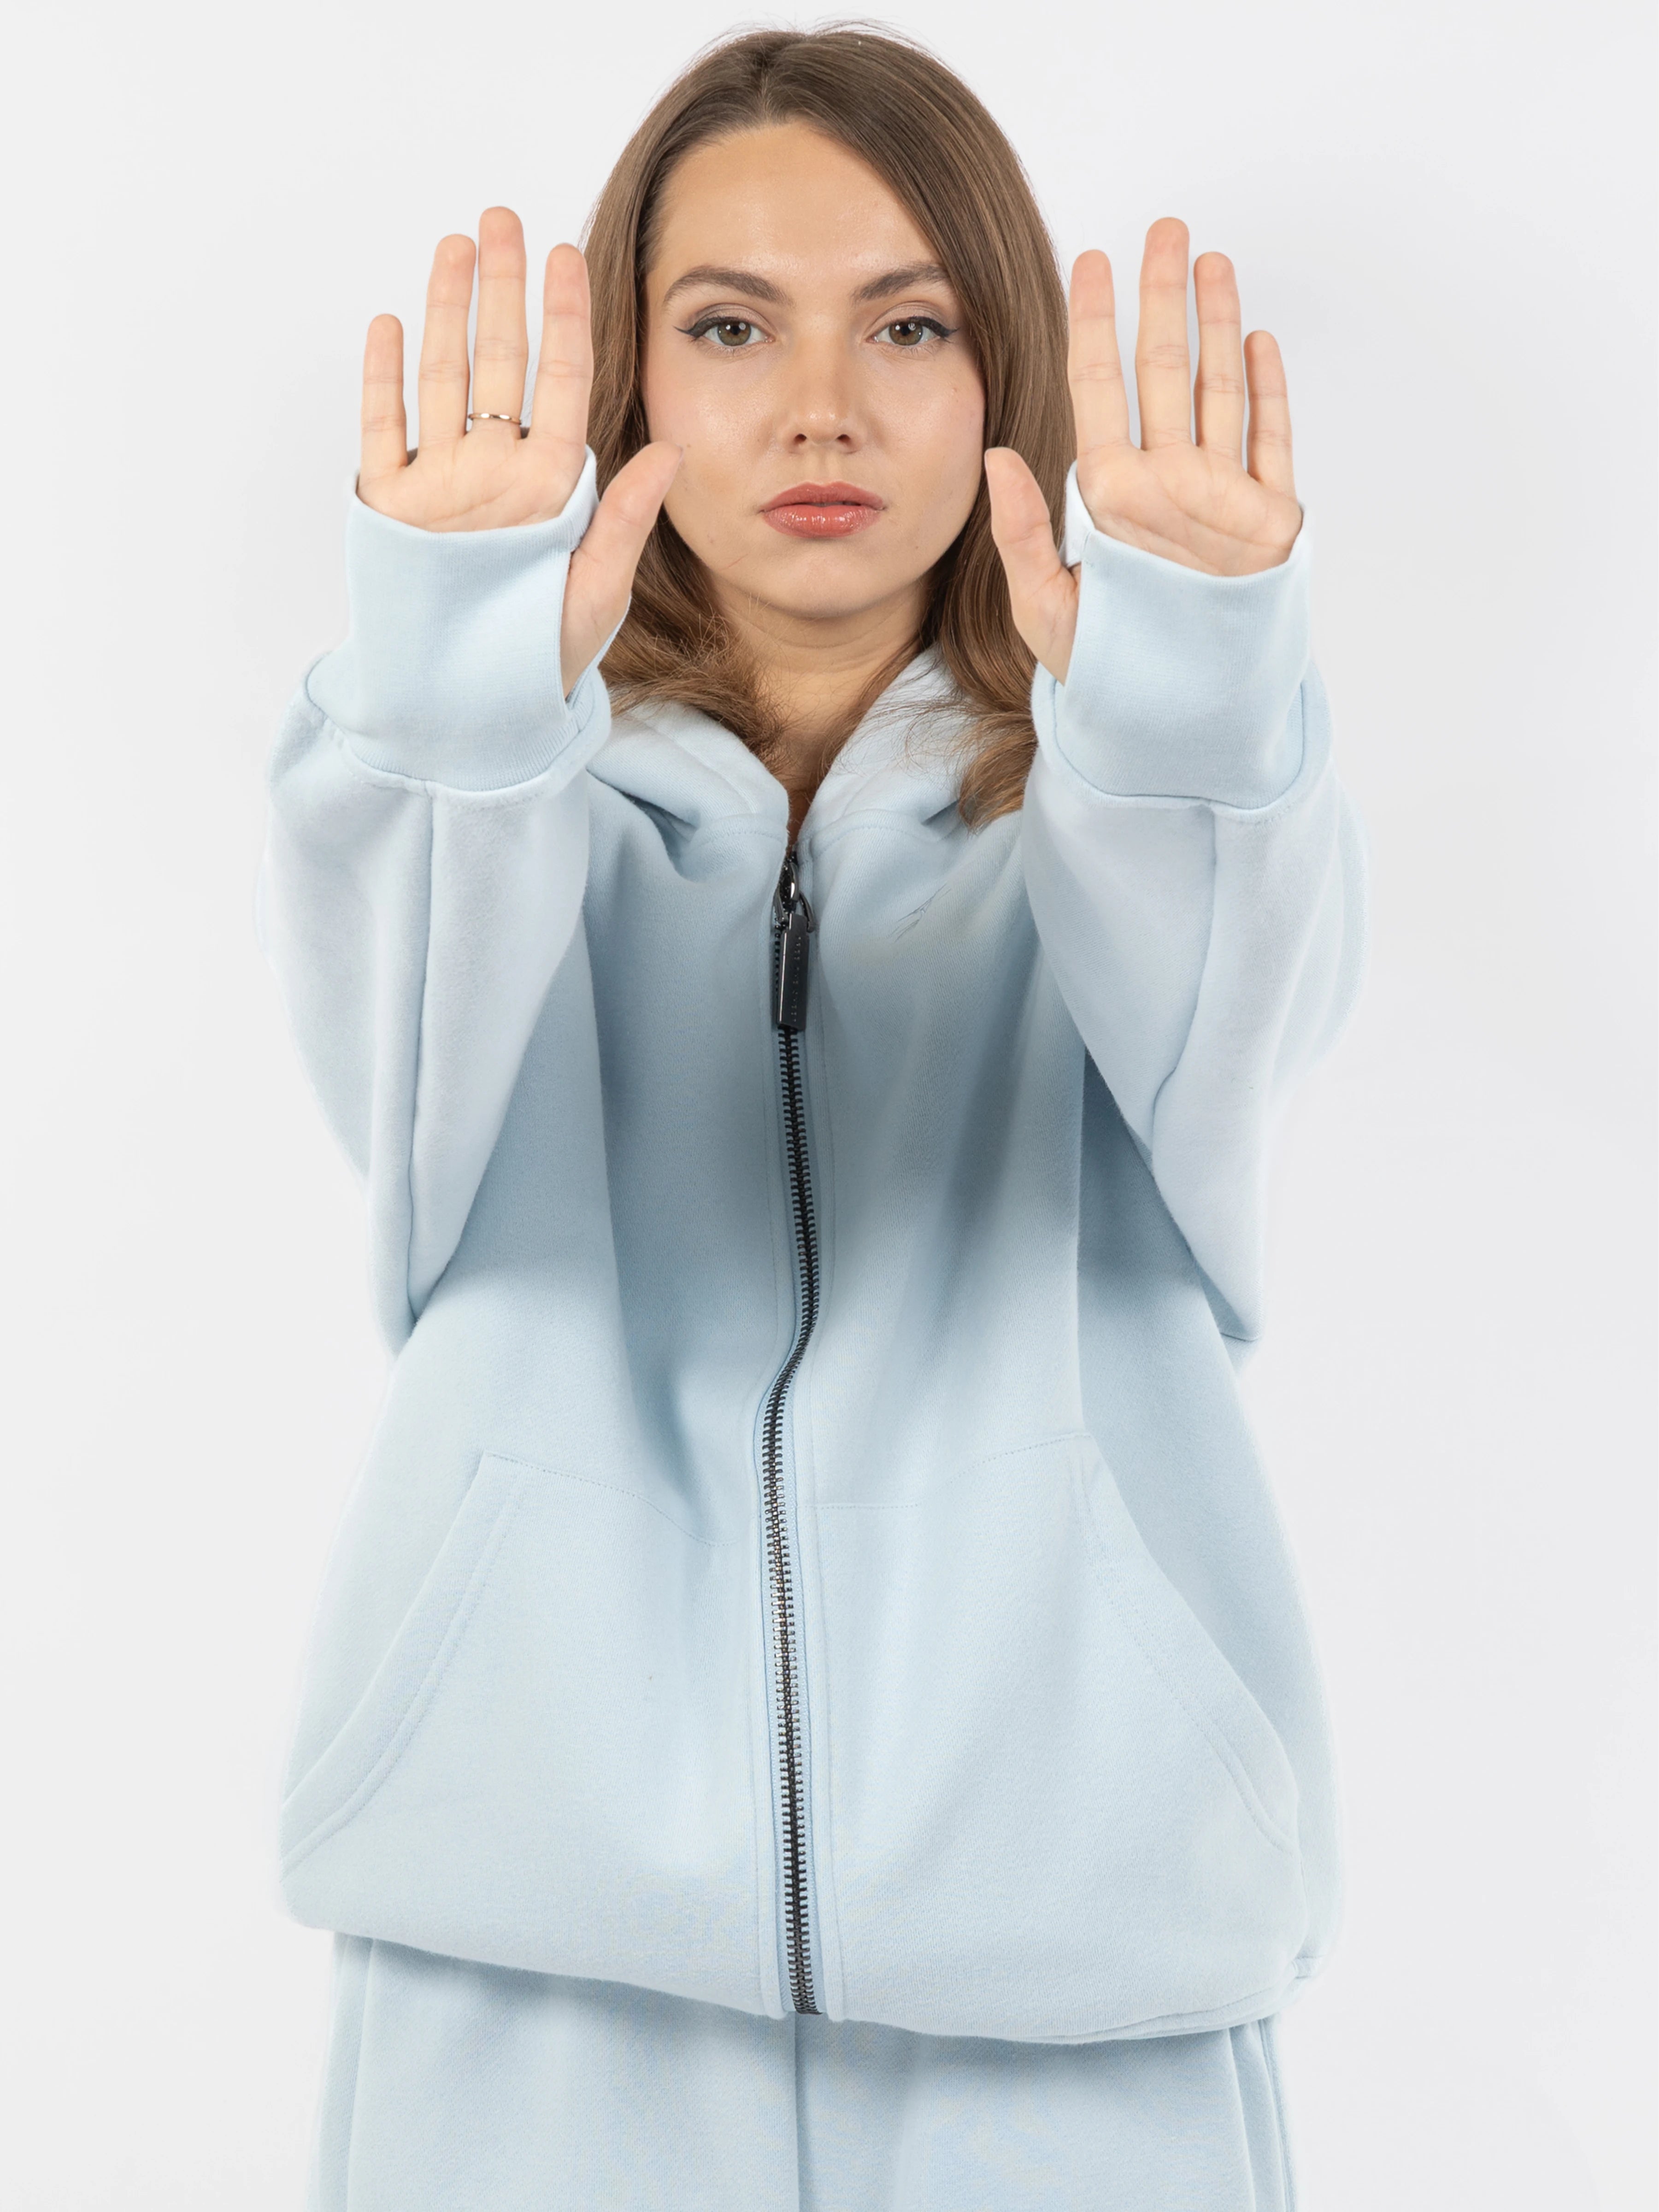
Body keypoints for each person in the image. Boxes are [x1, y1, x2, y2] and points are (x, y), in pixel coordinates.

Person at [259, 25, 1365, 2211]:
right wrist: (451, 696)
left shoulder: (1128, 823)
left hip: (1082, 1998)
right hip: (524, 1983)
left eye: (911, 325)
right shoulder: (500, 817)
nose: (823, 409)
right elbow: (392, 1043)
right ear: (630, 378)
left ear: (1004, 369)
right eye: (730, 326)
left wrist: (1190, 698)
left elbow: (1239, 1007)